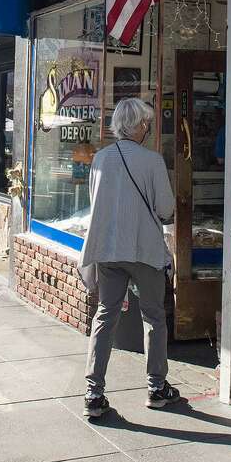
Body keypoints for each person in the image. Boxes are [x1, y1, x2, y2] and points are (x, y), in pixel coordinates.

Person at [79, 97, 183, 419]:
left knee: (105, 315)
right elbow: (166, 210)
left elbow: (96, 202)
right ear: (137, 126)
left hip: (109, 249)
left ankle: (93, 393)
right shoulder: (152, 161)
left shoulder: (100, 159)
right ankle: (156, 387)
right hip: (143, 249)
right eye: (146, 123)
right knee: (153, 316)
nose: (148, 128)